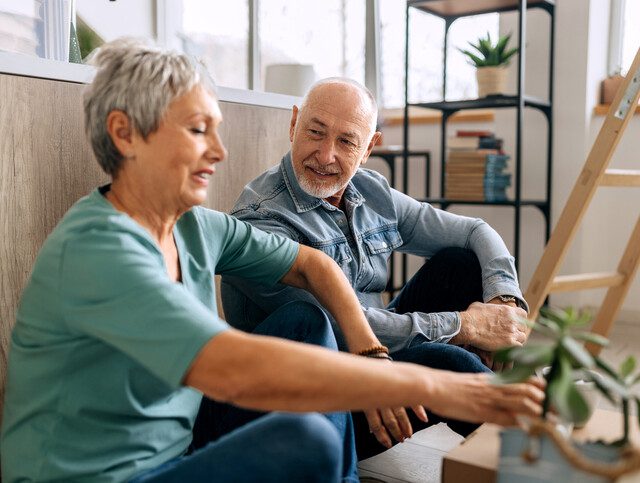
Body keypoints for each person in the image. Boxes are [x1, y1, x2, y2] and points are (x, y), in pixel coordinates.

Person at [0, 40, 543, 483]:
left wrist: (375, 360)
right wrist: (418, 384)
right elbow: (231, 365)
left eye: (215, 129)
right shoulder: (101, 250)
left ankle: (533, 448)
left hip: (182, 447)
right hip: (110, 476)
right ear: (125, 134)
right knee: (308, 429)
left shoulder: (197, 226)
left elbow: (313, 266)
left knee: (387, 380)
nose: (219, 150)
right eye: (197, 130)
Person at [221, 77, 531, 458]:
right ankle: (533, 452)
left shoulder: (370, 192)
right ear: (293, 125)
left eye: (346, 141)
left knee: (460, 263)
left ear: (369, 148)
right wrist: (465, 326)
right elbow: (338, 323)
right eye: (315, 133)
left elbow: (474, 231)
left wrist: (505, 303)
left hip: (377, 358)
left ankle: (523, 416)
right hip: (315, 397)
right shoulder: (260, 219)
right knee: (449, 362)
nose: (325, 154)